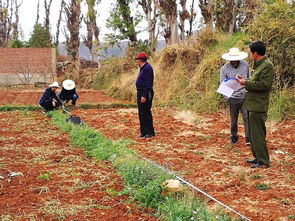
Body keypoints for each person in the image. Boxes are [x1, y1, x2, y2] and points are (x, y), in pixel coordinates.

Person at [236, 41, 275, 168]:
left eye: (250, 51)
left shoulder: (267, 66)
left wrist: (245, 83)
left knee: (258, 134)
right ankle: (257, 157)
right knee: (253, 134)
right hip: (252, 104)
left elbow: (264, 85)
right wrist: (245, 80)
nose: (249, 54)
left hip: (258, 105)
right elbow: (255, 81)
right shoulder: (258, 65)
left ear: (255, 53)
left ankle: (263, 161)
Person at [220, 48, 250, 145]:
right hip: (232, 98)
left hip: (245, 96)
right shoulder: (224, 69)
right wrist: (227, 98)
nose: (234, 60)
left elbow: (249, 79)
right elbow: (222, 84)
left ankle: (248, 138)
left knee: (247, 117)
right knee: (234, 119)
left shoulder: (245, 65)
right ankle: (234, 136)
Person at [135, 52, 155, 138]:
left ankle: (150, 132)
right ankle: (143, 132)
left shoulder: (147, 68)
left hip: (145, 92)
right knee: (141, 112)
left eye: (137, 60)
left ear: (140, 60)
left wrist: (144, 95)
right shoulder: (143, 68)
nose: (136, 62)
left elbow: (148, 84)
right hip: (140, 92)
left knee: (146, 112)